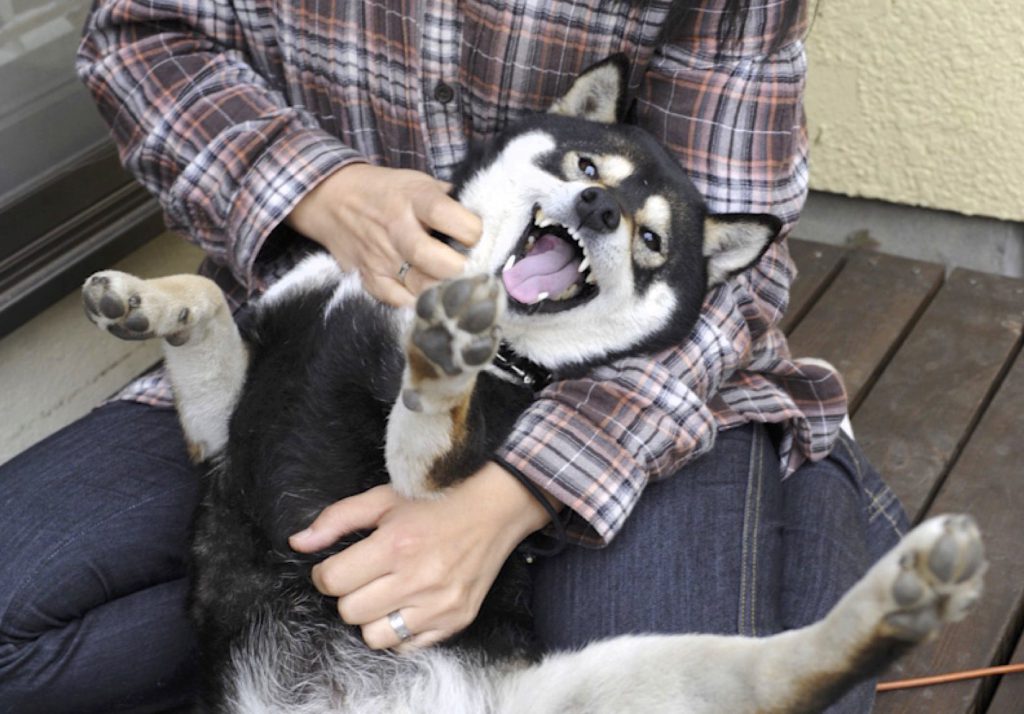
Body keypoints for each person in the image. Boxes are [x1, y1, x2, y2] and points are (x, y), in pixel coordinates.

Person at [0, 1, 908, 712]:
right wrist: (317, 185)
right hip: (300, 355)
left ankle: (809, 484)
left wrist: (508, 500)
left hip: (622, 402)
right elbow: (139, 35)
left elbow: (726, 276)